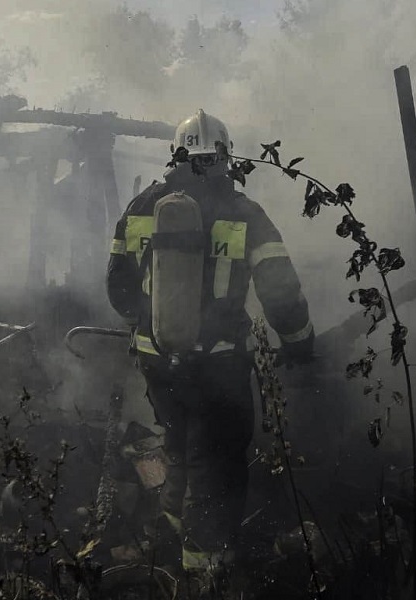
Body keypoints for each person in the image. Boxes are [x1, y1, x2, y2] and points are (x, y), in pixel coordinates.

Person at [106, 109, 314, 586]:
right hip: (217, 367)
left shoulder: (141, 207)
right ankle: (207, 575)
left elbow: (118, 290)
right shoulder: (243, 212)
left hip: (158, 366)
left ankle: (166, 538)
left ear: (175, 155)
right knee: (216, 465)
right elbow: (280, 291)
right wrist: (300, 343)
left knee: (178, 447)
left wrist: (152, 324)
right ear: (224, 156)